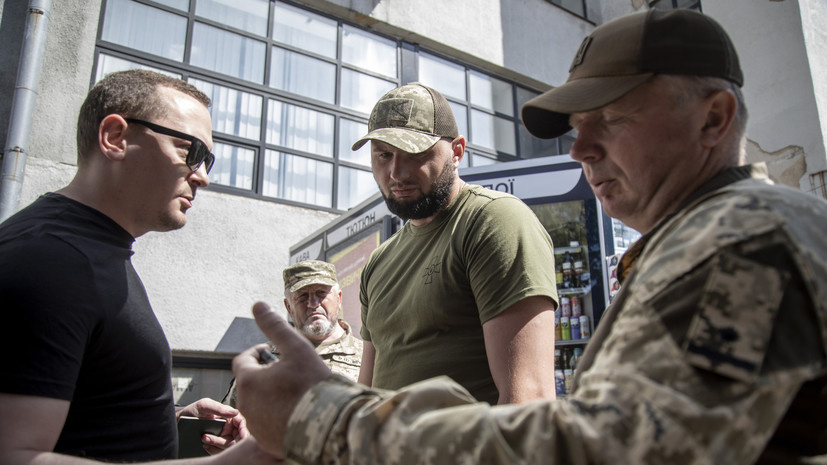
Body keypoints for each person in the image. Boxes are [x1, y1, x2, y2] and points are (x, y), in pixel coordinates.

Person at [232, 9, 827, 464]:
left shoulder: (746, 245)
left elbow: (610, 446)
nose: (580, 149)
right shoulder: (715, 238)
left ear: (714, 118)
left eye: (612, 119)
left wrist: (328, 422)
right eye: (577, 126)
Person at [0, 70, 276, 464]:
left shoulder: (90, 252)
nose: (203, 177)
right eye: (190, 151)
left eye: (208, 159)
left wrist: (173, 418)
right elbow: (16, 455)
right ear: (115, 138)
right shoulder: (50, 258)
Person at [351, 82, 559, 405]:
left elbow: (528, 402)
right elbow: (363, 399)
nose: (396, 171)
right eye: (384, 154)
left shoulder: (492, 222)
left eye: (414, 153)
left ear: (458, 152)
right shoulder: (377, 264)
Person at [222, 260, 362, 407]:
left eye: (321, 293)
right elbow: (229, 422)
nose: (313, 303)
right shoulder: (262, 361)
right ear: (288, 306)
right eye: (302, 296)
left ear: (339, 298)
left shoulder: (368, 358)